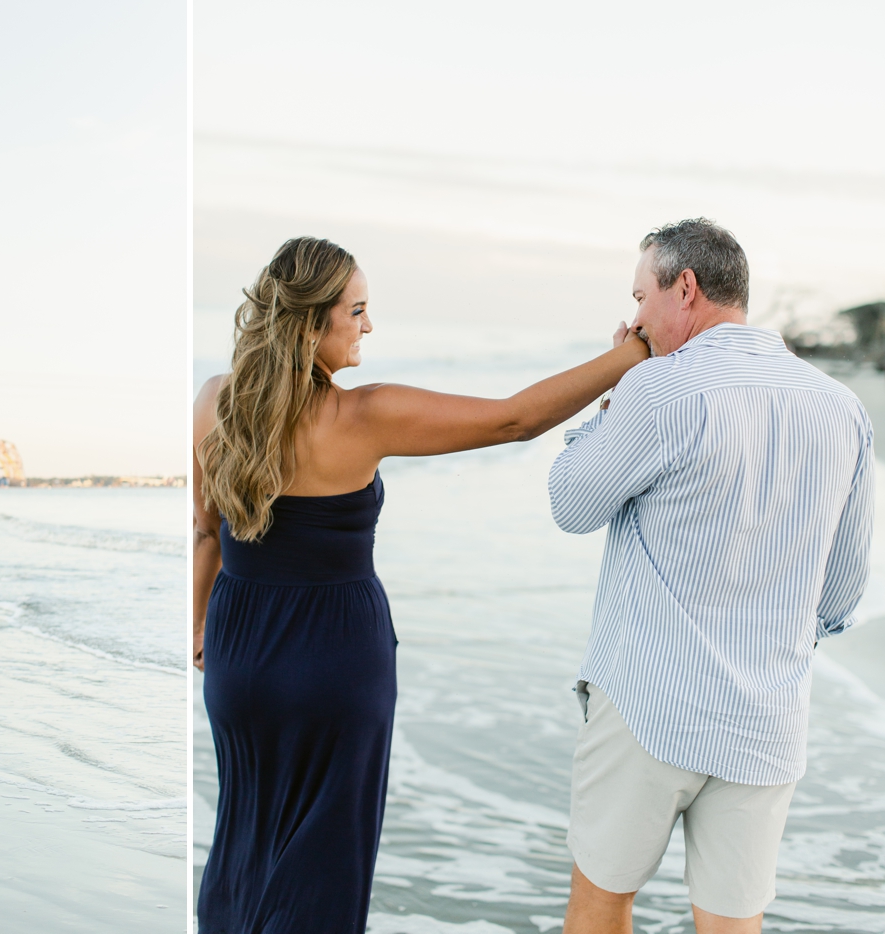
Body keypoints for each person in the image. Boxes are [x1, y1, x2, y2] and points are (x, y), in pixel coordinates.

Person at [192, 236, 651, 934]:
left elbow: (204, 533)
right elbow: (514, 418)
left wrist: (200, 627)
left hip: (237, 658)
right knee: (321, 860)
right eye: (358, 310)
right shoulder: (364, 414)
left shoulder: (215, 403)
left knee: (245, 837)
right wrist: (633, 355)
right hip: (333, 661)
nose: (368, 326)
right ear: (313, 323)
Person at [550, 219, 874, 934]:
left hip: (647, 706)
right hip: (767, 716)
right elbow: (844, 590)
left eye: (641, 295)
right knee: (733, 921)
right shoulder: (840, 407)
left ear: (685, 288)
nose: (634, 317)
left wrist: (612, 399)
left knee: (602, 903)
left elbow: (571, 504)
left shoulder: (659, 390)